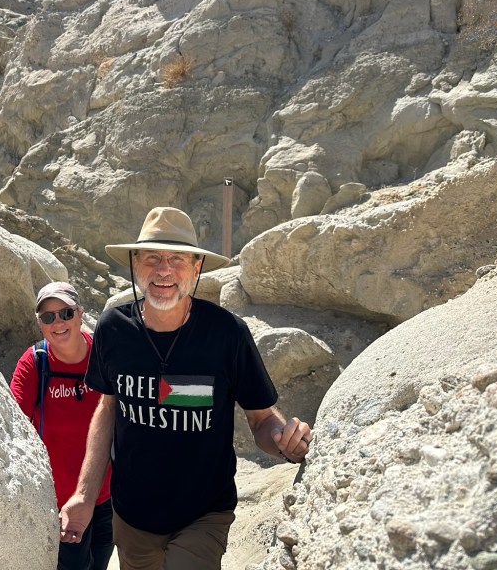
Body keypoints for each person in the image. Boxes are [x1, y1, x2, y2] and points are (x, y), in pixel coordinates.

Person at [59, 207, 313, 570]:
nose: (164, 269)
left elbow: (261, 421)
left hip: (203, 514)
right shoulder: (114, 328)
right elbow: (108, 408)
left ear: (196, 268)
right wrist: (84, 496)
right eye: (152, 257)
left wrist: (286, 442)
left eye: (176, 259)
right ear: (135, 263)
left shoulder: (227, 334)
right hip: (132, 516)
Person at [10, 281, 114, 570]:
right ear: (40, 324)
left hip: (107, 494)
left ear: (80, 313)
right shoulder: (35, 364)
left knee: (100, 562)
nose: (58, 323)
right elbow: (13, 426)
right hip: (60, 502)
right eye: (48, 317)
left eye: (66, 313)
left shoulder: (104, 355)